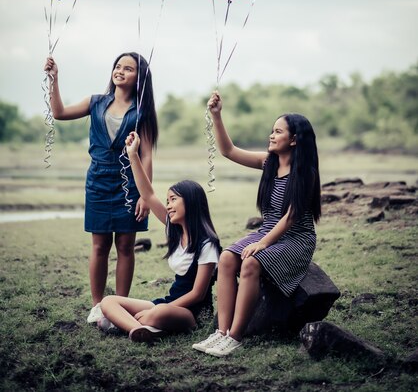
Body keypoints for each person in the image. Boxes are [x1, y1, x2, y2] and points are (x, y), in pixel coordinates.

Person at [193, 91, 321, 357]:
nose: (271, 136)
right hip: (268, 230)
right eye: (271, 131)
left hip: (297, 238)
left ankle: (235, 337)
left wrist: (262, 244)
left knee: (251, 262)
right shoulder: (268, 163)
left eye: (278, 132)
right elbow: (228, 150)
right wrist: (216, 115)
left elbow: (292, 216)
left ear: (294, 139)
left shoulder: (305, 173)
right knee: (227, 258)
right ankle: (221, 332)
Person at [44, 52, 158, 324]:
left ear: (138, 77)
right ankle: (98, 306)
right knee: (99, 246)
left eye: (128, 69)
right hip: (97, 180)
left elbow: (147, 155)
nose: (120, 71)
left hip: (130, 183)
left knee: (126, 246)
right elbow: (59, 113)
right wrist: (54, 79)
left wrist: (146, 195)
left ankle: (120, 305)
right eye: (117, 67)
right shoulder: (95, 102)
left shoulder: (143, 111)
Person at [100, 131, 221, 343]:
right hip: (168, 303)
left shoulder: (207, 244)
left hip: (191, 313)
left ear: (190, 203)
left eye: (173, 199)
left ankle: (139, 324)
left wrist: (160, 310)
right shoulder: (174, 231)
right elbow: (147, 195)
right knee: (108, 302)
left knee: (158, 313)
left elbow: (197, 295)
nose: (168, 205)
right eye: (167, 200)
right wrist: (133, 155)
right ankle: (139, 329)